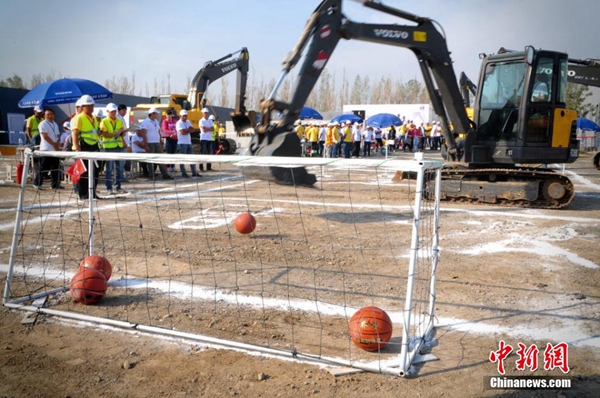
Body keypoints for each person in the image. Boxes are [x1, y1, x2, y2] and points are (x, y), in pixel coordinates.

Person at [71, 95, 102, 199]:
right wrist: (76, 147)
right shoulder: (79, 118)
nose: (91, 108)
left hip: (94, 147)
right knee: (84, 172)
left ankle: (92, 193)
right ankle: (83, 194)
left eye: (92, 106)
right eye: (88, 106)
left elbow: (94, 133)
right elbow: (75, 133)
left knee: (96, 171)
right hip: (84, 147)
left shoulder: (93, 118)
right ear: (83, 107)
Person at [100, 103, 127, 193]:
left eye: (114, 111)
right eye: (112, 111)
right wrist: (117, 133)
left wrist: (123, 132)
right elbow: (105, 134)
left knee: (118, 168)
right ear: (107, 112)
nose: (114, 113)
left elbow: (121, 133)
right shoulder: (104, 121)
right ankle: (109, 187)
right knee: (109, 168)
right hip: (109, 147)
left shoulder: (119, 121)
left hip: (118, 146)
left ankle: (117, 186)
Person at [138, 108, 172, 180]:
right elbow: (143, 134)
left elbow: (158, 132)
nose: (157, 114)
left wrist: (160, 140)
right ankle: (151, 175)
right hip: (150, 143)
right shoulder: (145, 122)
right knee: (151, 160)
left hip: (157, 142)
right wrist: (146, 144)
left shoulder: (156, 121)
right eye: (156, 113)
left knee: (160, 158)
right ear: (152, 114)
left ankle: (164, 174)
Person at [33, 109, 62, 190]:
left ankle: (55, 184)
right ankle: (37, 183)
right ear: (44, 115)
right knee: (44, 167)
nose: (50, 116)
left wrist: (58, 144)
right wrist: (54, 144)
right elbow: (45, 137)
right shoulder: (43, 124)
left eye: (51, 114)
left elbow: (58, 135)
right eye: (48, 114)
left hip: (55, 149)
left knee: (55, 167)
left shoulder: (55, 124)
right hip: (46, 148)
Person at [176, 110, 200, 178]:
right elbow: (182, 132)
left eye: (186, 116)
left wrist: (186, 130)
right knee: (182, 159)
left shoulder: (188, 121)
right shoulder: (178, 123)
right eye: (183, 116)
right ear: (180, 116)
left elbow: (193, 130)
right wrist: (188, 130)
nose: (185, 117)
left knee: (192, 158)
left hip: (188, 143)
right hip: (182, 143)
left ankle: (194, 172)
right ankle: (183, 173)